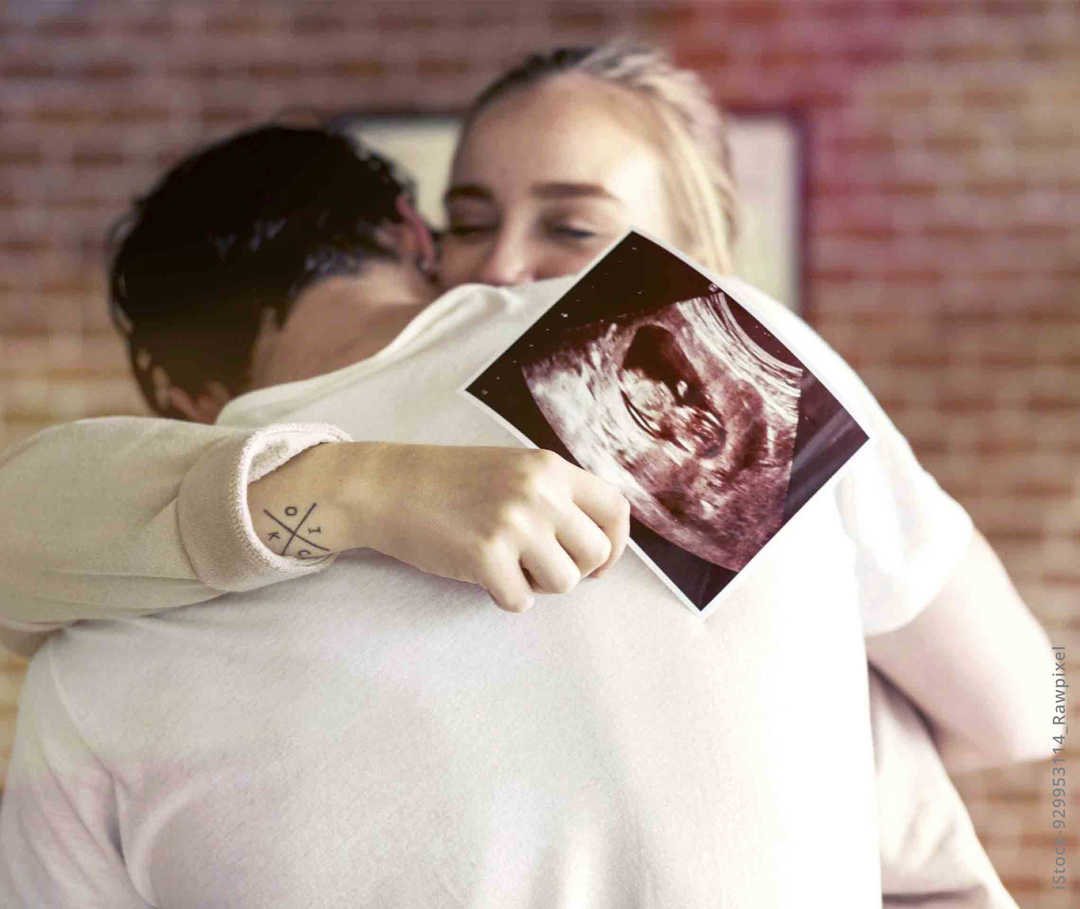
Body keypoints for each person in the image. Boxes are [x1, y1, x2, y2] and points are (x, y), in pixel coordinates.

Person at [0, 43, 1046, 904]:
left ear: (177, 396)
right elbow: (1020, 709)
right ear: (415, 237)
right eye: (471, 221)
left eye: (575, 229)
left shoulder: (89, 648)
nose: (505, 270)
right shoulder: (662, 350)